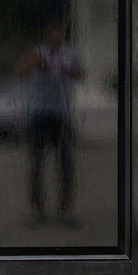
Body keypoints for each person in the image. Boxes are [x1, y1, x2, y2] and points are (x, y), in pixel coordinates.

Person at [17, 21, 83, 224]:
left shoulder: (70, 53)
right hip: (38, 114)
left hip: (61, 114)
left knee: (65, 164)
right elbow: (19, 72)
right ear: (47, 34)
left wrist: (66, 69)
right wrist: (33, 64)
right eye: (52, 32)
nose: (56, 35)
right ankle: (37, 210)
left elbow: (81, 74)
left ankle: (65, 210)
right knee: (36, 164)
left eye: (59, 32)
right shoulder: (37, 52)